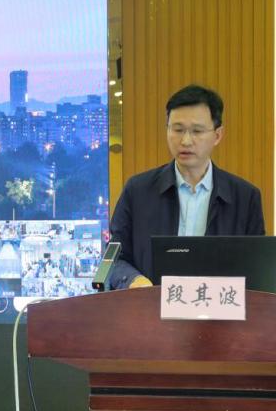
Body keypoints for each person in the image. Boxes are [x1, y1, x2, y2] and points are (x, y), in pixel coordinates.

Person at [107, 84, 265, 290]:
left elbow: (257, 270)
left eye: (197, 131)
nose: (186, 140)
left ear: (217, 135)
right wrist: (134, 281)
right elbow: (113, 259)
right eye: (178, 130)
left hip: (218, 308)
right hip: (151, 306)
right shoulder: (138, 191)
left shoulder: (245, 197)